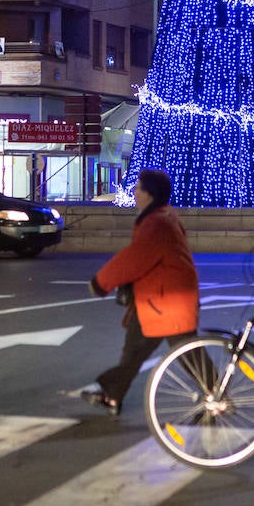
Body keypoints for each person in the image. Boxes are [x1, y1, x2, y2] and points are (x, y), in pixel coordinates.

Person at [80, 169, 199, 416]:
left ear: (150, 194)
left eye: (138, 188)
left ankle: (215, 397)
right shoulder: (163, 216)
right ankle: (111, 395)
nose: (134, 192)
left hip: (167, 302)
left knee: (187, 353)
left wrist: (101, 282)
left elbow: (133, 259)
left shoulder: (157, 223)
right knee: (138, 350)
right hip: (159, 299)